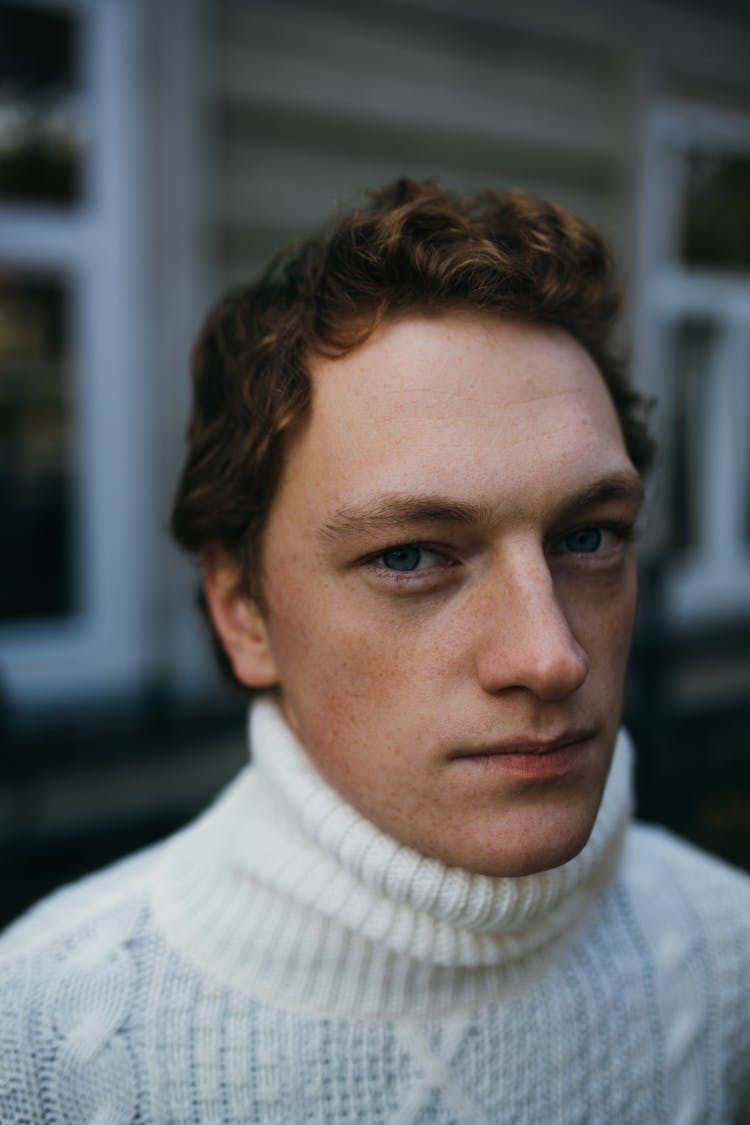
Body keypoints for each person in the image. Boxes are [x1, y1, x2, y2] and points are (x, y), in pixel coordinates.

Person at [1, 179, 749, 1124]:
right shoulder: (41, 1041)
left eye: (590, 535)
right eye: (410, 556)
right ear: (244, 612)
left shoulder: (730, 958)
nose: (551, 656)